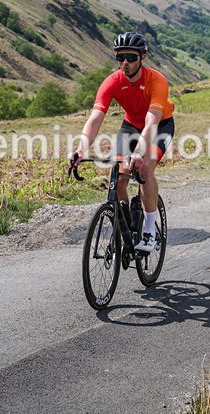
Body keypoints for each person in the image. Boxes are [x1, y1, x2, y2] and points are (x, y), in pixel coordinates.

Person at [69, 32, 175, 253]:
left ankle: (148, 230)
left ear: (142, 57)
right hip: (130, 125)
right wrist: (80, 149)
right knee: (117, 175)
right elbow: (96, 118)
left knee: (144, 168)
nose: (125, 62)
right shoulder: (112, 82)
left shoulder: (156, 81)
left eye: (130, 56)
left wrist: (139, 151)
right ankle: (126, 225)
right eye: (120, 57)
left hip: (159, 125)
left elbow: (152, 120)